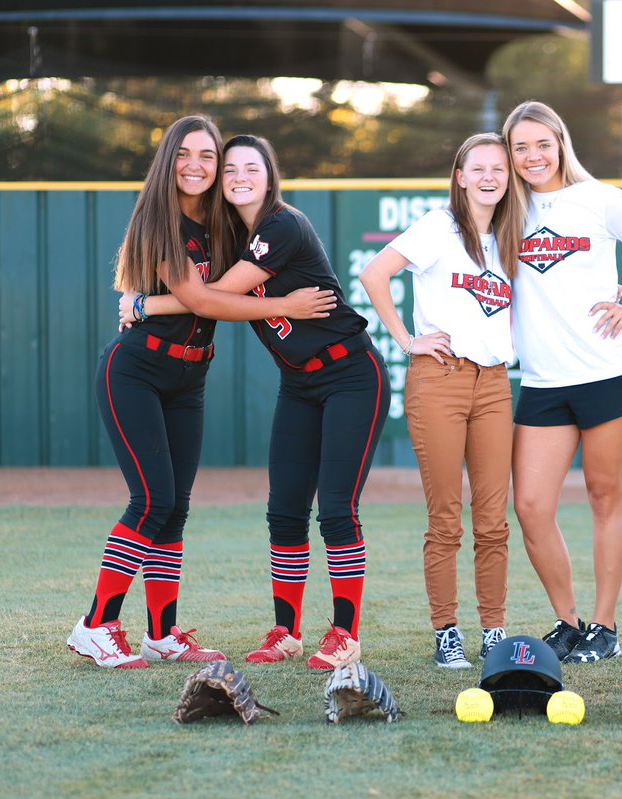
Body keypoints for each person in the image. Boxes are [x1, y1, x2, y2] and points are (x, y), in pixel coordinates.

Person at [68, 115, 333, 669]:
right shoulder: (160, 218)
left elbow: (221, 287)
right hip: (136, 370)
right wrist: (284, 307)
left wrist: (146, 302)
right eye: (186, 154)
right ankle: (96, 624)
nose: (197, 165)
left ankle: (161, 634)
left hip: (189, 378)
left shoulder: (224, 227)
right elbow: (206, 300)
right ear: (169, 160)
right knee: (151, 502)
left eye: (208, 157)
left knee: (175, 510)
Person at [125, 135, 389, 671]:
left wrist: (142, 303)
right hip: (298, 383)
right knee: (285, 510)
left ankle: (345, 634)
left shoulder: (282, 225)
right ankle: (286, 632)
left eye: (253, 167)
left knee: (336, 509)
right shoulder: (233, 237)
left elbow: (213, 298)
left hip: (351, 375)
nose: (240, 175)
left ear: (270, 177)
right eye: (231, 169)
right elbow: (212, 294)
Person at [502, 100, 622, 664]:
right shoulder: (505, 209)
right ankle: (569, 620)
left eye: (541, 144)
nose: (531, 156)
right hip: (544, 382)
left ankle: (604, 626)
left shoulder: (599, 199)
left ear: (560, 142)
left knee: (605, 497)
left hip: (608, 372)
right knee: (530, 506)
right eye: (519, 147)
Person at [359, 132, 524, 669]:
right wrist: (408, 341)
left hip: (496, 382)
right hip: (441, 378)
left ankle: (494, 631)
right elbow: (373, 273)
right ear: (460, 175)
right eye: (478, 168)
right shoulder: (438, 226)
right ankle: (446, 630)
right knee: (446, 517)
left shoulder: (513, 233)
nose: (489, 176)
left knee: (494, 519)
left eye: (499, 167)